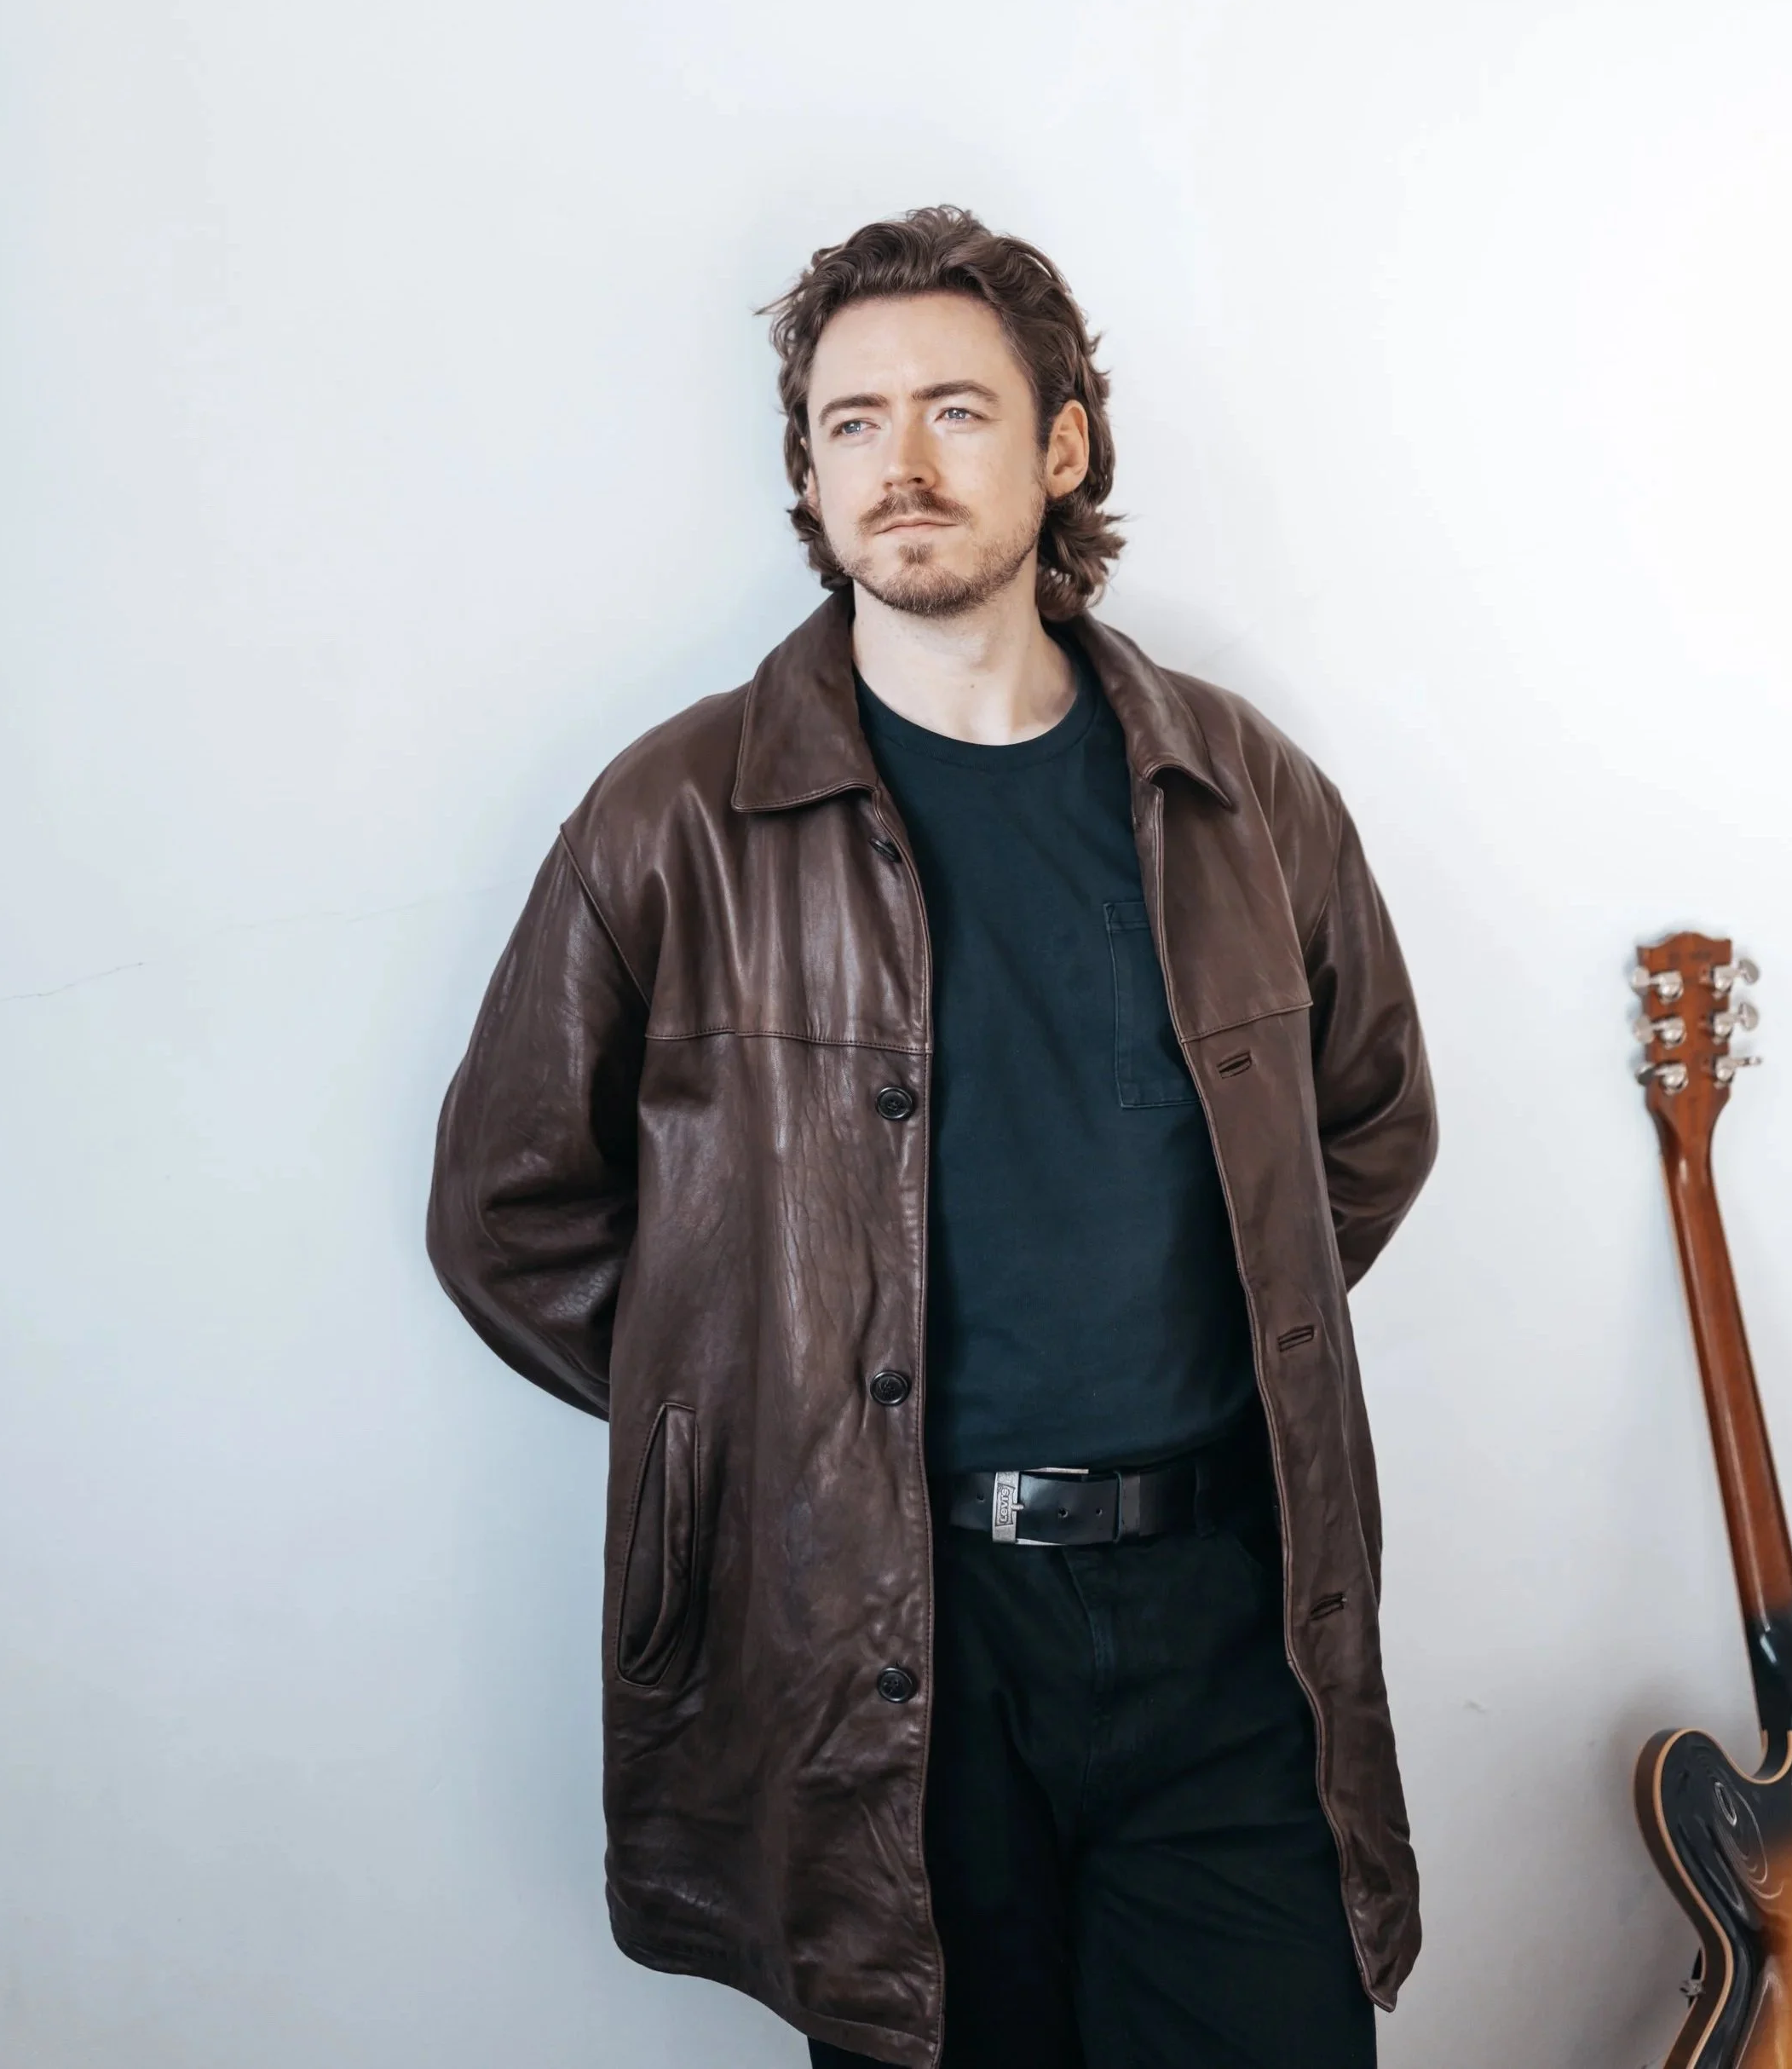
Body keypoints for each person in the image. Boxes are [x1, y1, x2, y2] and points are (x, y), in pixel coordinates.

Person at [427, 205, 1436, 2069]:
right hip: (881, 1635)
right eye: (846, 421)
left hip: (1220, 1611)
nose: (897, 463)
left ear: (1060, 446)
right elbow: (509, 1211)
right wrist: (767, 1398)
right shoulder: (671, 819)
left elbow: (1363, 1121)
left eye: (955, 410)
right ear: (805, 475)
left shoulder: (1241, 792)